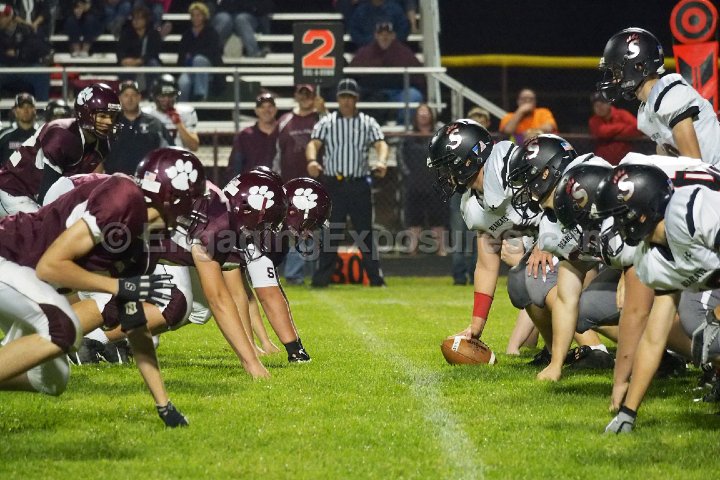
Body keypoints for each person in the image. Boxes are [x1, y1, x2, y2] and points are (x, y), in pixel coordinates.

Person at [0, 149, 209, 426]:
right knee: (64, 330)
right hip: (11, 254)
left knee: (51, 379)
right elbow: (50, 266)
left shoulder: (144, 247)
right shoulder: (123, 196)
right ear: (172, 196)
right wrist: (117, 285)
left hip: (29, 281)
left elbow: (136, 328)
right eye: (192, 199)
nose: (194, 211)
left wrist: (164, 404)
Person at [595, 163, 720, 433]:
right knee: (703, 333)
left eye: (619, 216)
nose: (615, 226)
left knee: (703, 323)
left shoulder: (689, 210)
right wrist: (628, 412)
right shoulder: (650, 261)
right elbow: (653, 338)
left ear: (642, 210)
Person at [306, 78, 388, 287]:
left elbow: (381, 143)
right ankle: (321, 280)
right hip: (334, 184)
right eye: (343, 97)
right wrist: (312, 160)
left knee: (364, 233)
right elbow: (313, 143)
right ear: (338, 99)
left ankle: (376, 278)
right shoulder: (327, 122)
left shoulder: (367, 122)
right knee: (330, 233)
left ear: (356, 99)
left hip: (358, 183)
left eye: (350, 97)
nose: (346, 101)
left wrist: (381, 161)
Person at [598, 27, 720, 166]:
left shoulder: (670, 94)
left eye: (617, 72)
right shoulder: (647, 109)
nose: (615, 79)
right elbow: (668, 155)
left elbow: (694, 166)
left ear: (638, 66)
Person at [0, 83, 120, 216]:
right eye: (103, 116)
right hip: (15, 190)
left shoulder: (102, 144)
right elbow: (46, 198)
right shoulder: (62, 135)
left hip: (35, 193)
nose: (109, 122)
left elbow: (71, 185)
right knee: (48, 224)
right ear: (86, 113)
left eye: (112, 116)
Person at [275, 83, 326, 285]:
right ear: (295, 96)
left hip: (316, 183)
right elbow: (277, 151)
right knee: (297, 229)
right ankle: (295, 273)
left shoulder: (321, 119)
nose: (304, 97)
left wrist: (324, 111)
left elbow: (333, 134)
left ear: (314, 97)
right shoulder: (285, 120)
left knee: (310, 229)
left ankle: (306, 273)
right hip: (290, 183)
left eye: (308, 94)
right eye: (301, 93)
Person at [349, 21, 425, 125]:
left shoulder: (405, 53)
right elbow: (352, 75)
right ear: (376, 35)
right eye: (381, 34)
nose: (384, 37)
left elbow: (418, 78)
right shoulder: (364, 53)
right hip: (373, 94)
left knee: (414, 95)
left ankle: (403, 130)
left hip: (398, 92)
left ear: (393, 36)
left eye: (388, 34)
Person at [398, 103, 446, 255]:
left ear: (431, 116)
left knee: (438, 218)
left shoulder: (440, 136)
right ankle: (413, 249)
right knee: (413, 218)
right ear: (416, 116)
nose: (424, 115)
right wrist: (408, 175)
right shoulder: (409, 137)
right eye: (421, 112)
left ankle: (441, 249)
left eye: (426, 112)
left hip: (435, 183)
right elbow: (400, 157)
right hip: (414, 183)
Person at [105, 80, 172, 175]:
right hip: (116, 180)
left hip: (148, 180)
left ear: (139, 97)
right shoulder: (109, 123)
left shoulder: (154, 123)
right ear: (119, 98)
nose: (130, 99)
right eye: (126, 95)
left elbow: (169, 152)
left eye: (133, 95)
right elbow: (98, 155)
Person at [0, 4, 51, 100]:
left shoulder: (25, 30)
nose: (0, 20)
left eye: (2, 17)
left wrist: (18, 53)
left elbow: (34, 50)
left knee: (42, 73)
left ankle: (42, 107)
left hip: (25, 66)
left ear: (10, 17)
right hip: (5, 68)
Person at [177, 2, 223, 102]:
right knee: (183, 82)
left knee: (199, 60)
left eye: (198, 15)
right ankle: (182, 108)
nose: (195, 18)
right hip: (189, 69)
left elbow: (213, 52)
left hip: (208, 69)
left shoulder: (211, 33)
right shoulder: (187, 35)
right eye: (193, 15)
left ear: (204, 16)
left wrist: (193, 55)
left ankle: (200, 95)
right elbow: (182, 55)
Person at [226, 92, 278, 180]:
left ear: (275, 109)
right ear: (256, 111)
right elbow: (235, 166)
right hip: (252, 185)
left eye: (270, 106)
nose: (266, 110)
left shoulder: (283, 133)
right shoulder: (245, 136)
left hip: (278, 184)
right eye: (262, 107)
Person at [142, 73, 200, 151]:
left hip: (179, 157)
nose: (166, 100)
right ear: (154, 96)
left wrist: (179, 124)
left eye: (170, 95)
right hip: (155, 157)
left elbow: (194, 146)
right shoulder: (145, 114)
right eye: (162, 96)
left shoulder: (186, 112)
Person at [116, 4, 163, 91]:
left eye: (139, 18)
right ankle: (127, 93)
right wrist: (123, 60)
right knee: (124, 69)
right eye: (134, 18)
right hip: (130, 63)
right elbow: (120, 51)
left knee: (153, 64)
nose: (136, 21)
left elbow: (153, 53)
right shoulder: (126, 33)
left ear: (146, 20)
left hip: (147, 62)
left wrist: (139, 61)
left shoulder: (153, 34)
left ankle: (151, 93)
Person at [588, 91, 642, 166]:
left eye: (602, 103)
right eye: (596, 105)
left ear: (609, 103)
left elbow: (638, 127)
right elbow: (602, 131)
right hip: (601, 164)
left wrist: (612, 133)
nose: (600, 107)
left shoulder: (622, 114)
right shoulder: (594, 120)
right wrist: (622, 127)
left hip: (625, 163)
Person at [0, 93, 39, 167]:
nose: (26, 110)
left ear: (35, 110)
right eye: (21, 107)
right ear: (15, 111)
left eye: (29, 106)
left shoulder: (43, 134)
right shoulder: (4, 136)